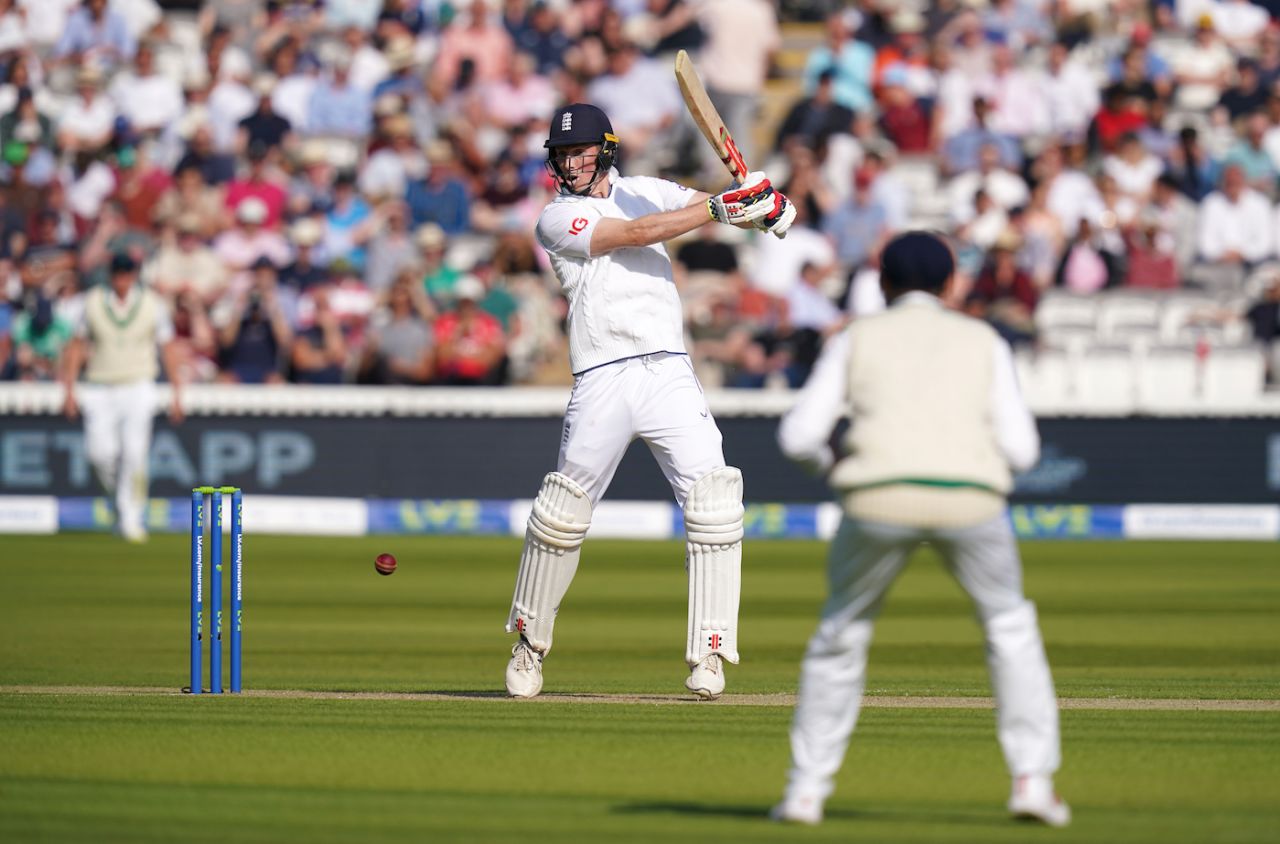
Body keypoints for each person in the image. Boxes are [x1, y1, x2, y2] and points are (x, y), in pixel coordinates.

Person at [771, 232, 1068, 828]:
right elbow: (1023, 448)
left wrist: (840, 471)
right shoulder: (983, 339)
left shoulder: (856, 336)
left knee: (842, 634)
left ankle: (806, 792)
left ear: (882, 285)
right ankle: (1032, 783)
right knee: (1010, 626)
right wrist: (966, 464)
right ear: (952, 284)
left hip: (877, 498)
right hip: (973, 502)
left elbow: (798, 436)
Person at [503, 102, 795, 701]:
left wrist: (763, 207)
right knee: (562, 512)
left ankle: (710, 654)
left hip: (668, 369)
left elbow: (711, 210)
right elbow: (635, 235)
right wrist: (720, 207)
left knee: (714, 501)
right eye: (561, 155)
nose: (570, 164)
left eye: (580, 152)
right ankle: (529, 644)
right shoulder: (557, 219)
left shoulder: (646, 189)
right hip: (603, 373)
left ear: (605, 150)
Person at [60, 253, 184, 542]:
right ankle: (118, 503)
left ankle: (131, 516)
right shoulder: (91, 302)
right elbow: (76, 346)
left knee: (134, 453)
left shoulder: (153, 304)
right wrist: (68, 389)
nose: (122, 280)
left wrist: (178, 391)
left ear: (135, 275)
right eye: (118, 274)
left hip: (138, 385)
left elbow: (168, 348)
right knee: (99, 454)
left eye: (127, 274)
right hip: (99, 386)